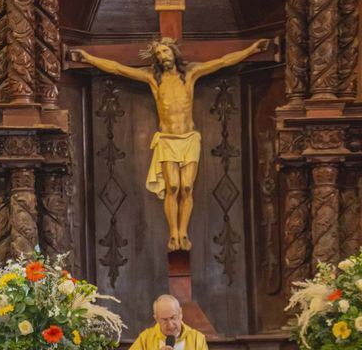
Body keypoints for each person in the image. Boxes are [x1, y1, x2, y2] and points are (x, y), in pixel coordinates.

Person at [71, 37, 268, 252]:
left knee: (187, 187)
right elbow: (118, 69)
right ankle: (173, 232)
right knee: (173, 186)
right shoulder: (153, 79)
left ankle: (184, 232)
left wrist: (251, 50)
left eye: (166, 52)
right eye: (159, 55)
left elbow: (222, 61)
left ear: (174, 53)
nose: (163, 57)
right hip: (167, 140)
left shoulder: (190, 74)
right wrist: (88, 58)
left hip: (189, 138)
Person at [129, 295, 207, 350]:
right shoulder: (145, 339)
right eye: (164, 320)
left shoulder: (197, 339)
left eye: (173, 318)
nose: (170, 325)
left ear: (180, 313)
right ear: (157, 319)